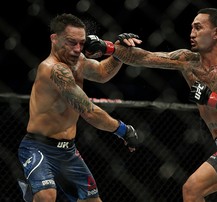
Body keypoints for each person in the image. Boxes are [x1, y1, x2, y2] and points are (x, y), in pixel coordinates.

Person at [111, 8, 217, 202]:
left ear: (216, 33)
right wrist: (109, 48)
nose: (191, 33)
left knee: (192, 189)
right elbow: (144, 57)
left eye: (198, 28)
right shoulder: (187, 61)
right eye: (191, 28)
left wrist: (213, 99)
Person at [17, 13, 141, 202]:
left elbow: (101, 73)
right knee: (46, 196)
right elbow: (88, 111)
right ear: (54, 39)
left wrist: (117, 53)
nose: (77, 49)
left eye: (81, 44)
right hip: (39, 146)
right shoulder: (53, 69)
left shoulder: (78, 61)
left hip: (68, 150)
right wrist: (123, 129)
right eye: (71, 42)